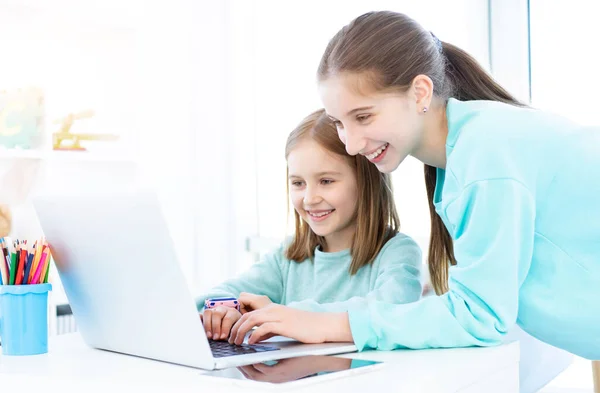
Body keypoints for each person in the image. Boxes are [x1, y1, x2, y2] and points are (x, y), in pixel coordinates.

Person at [229, 10, 600, 364]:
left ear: (420, 93)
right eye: (339, 123)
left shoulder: (485, 153)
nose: (352, 144)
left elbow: (479, 316)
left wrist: (322, 324)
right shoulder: (463, 155)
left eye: (363, 116)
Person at [198, 108, 422, 341]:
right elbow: (219, 295)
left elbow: (393, 311)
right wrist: (220, 311)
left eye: (326, 181)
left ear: (367, 182)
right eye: (298, 183)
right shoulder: (287, 257)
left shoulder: (397, 253)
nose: (309, 199)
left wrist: (288, 316)